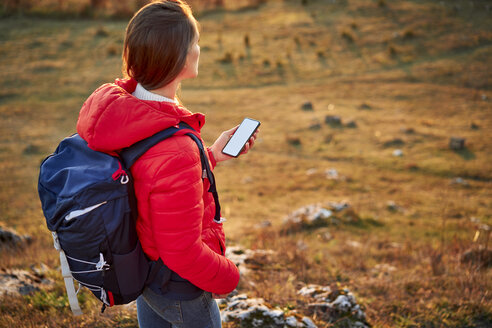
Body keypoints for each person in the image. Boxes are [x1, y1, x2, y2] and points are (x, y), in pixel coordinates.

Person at [75, 1, 258, 327]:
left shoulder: (131, 116)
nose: (198, 49)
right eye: (194, 43)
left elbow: (152, 181)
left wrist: (211, 155)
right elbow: (183, 252)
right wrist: (230, 276)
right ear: (177, 58)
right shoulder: (174, 147)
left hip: (145, 271)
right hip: (180, 287)